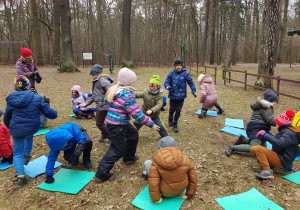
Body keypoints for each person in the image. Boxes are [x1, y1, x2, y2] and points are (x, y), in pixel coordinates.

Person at [95, 67, 160, 183]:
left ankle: (128, 157)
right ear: (129, 82)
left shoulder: (116, 89)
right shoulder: (126, 94)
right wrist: (151, 124)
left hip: (116, 122)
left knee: (133, 134)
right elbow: (137, 114)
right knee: (117, 149)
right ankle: (101, 174)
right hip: (117, 125)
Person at [3, 76, 57, 187]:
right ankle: (26, 155)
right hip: (32, 127)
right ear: (28, 85)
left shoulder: (11, 100)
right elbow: (50, 113)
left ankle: (21, 177)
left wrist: (10, 127)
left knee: (17, 152)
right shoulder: (36, 98)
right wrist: (54, 113)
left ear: (15, 86)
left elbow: (6, 117)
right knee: (28, 135)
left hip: (16, 129)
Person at [225, 89, 278, 156]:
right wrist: (278, 122)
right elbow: (270, 120)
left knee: (263, 151)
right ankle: (232, 148)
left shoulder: (263, 105)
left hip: (259, 128)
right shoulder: (266, 107)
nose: (276, 103)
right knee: (254, 147)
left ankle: (243, 140)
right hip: (256, 128)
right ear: (270, 101)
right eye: (275, 101)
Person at [147, 136, 197, 203]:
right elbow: (193, 179)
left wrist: (156, 199)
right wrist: (189, 194)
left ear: (159, 148)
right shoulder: (185, 159)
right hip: (180, 190)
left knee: (147, 163)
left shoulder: (156, 162)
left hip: (165, 193)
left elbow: (153, 183)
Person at [251, 110, 298, 179]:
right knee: (260, 156)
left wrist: (265, 135)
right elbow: (289, 148)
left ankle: (267, 172)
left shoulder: (289, 133)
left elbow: (279, 144)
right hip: (282, 158)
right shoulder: (288, 130)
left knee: (256, 148)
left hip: (281, 159)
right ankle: (270, 166)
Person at [164, 59, 197, 133]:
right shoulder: (171, 73)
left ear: (182, 65)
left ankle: (175, 124)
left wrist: (193, 91)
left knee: (178, 110)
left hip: (181, 96)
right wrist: (167, 86)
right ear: (175, 66)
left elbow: (191, 83)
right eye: (177, 65)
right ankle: (170, 118)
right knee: (172, 110)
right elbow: (166, 82)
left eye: (180, 65)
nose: (178, 67)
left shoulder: (185, 73)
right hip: (173, 95)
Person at [83, 64, 113, 142]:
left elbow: (111, 91)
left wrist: (105, 100)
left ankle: (111, 137)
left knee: (99, 123)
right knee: (102, 122)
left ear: (97, 73)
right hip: (100, 105)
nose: (92, 76)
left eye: (93, 74)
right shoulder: (96, 81)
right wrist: (86, 104)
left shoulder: (102, 80)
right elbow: (94, 95)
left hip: (104, 105)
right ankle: (104, 134)